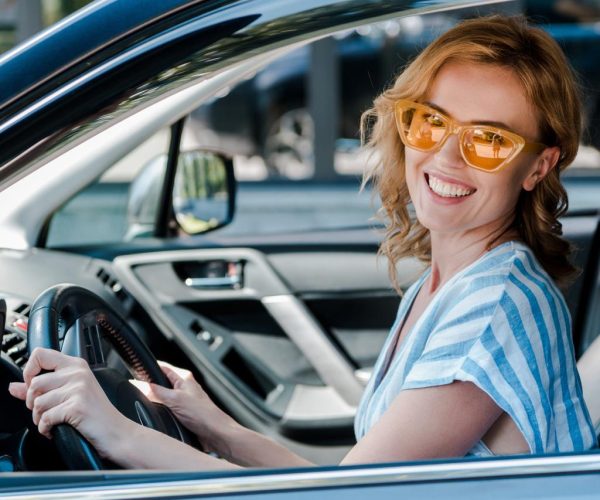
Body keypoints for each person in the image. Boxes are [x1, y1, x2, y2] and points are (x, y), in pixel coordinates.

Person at [8, 15, 596, 469]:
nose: (445, 155)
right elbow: (350, 482)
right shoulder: (451, 284)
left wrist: (116, 433)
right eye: (432, 121)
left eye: (488, 140)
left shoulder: (495, 306)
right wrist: (213, 424)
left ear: (537, 166)